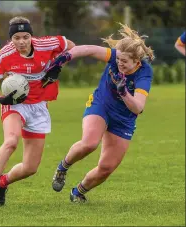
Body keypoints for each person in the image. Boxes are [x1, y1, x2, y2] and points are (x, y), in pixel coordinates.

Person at [0, 16, 75, 206]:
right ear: (10, 39)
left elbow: (72, 47)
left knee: (30, 168)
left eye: (25, 37)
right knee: (11, 141)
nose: (21, 42)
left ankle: (3, 182)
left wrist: (58, 65)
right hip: (14, 104)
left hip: (38, 107)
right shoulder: (4, 55)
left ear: (31, 36)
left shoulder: (48, 44)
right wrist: (1, 99)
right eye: (16, 38)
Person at [50, 23, 155, 203]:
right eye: (118, 59)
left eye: (124, 62)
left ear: (137, 62)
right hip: (102, 105)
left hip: (124, 118)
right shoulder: (115, 56)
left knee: (106, 167)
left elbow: (138, 107)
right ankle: (62, 168)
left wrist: (124, 92)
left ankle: (78, 192)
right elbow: (89, 50)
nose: (119, 63)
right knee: (89, 143)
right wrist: (65, 57)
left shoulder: (144, 73)